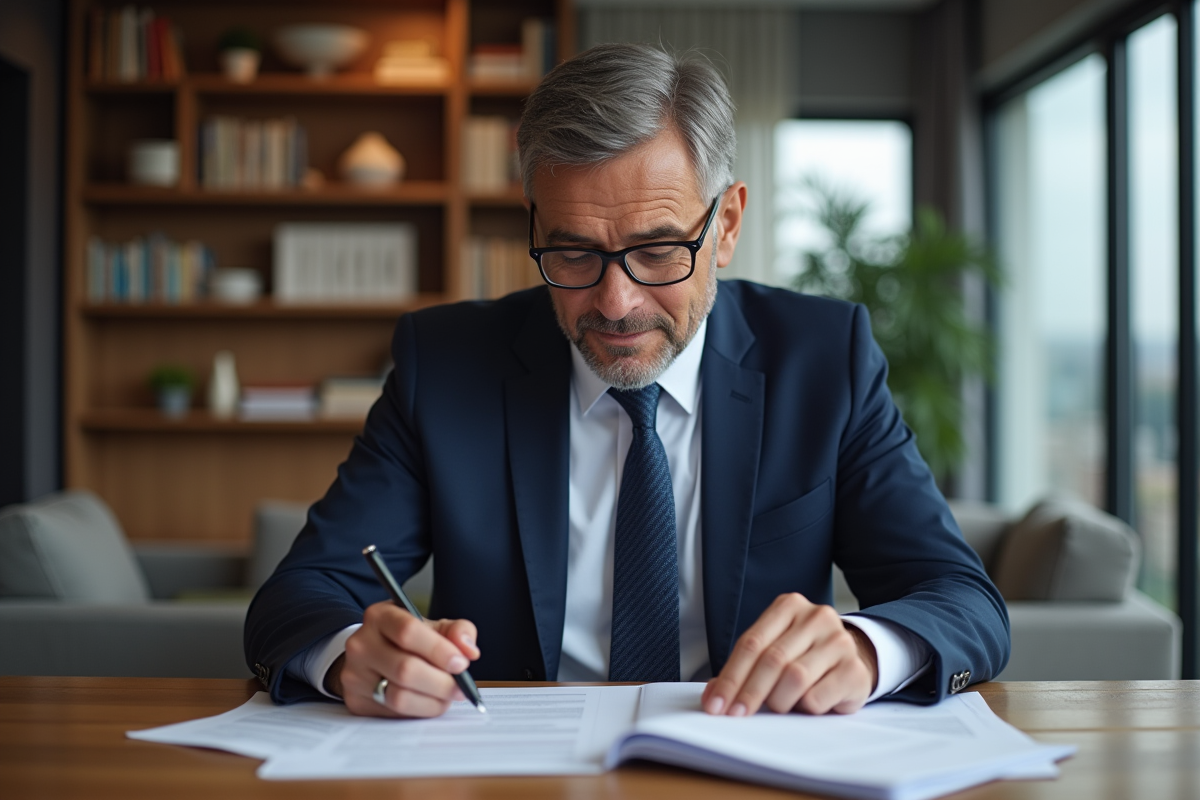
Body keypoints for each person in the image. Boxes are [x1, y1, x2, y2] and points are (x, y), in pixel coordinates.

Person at [244, 43, 1009, 720]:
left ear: (727, 225)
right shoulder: (446, 365)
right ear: (535, 225)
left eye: (657, 251)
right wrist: (350, 656)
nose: (616, 302)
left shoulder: (822, 360)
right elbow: (297, 598)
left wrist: (867, 651)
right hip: (513, 771)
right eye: (573, 253)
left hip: (749, 765)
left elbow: (963, 599)